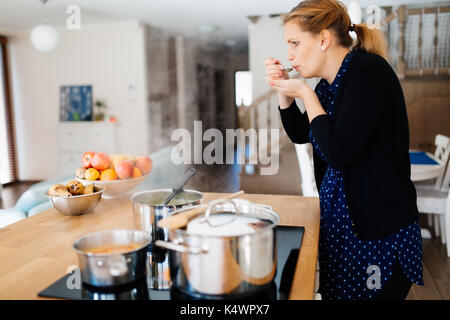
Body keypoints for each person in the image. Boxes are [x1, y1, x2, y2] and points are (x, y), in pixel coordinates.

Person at [264, 0, 424, 300]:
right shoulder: (329, 84)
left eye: (295, 43)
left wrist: (304, 93)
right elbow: (303, 133)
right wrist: (285, 93)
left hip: (378, 233)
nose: (290, 54)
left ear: (323, 39)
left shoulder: (367, 73)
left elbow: (339, 152)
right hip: (344, 226)